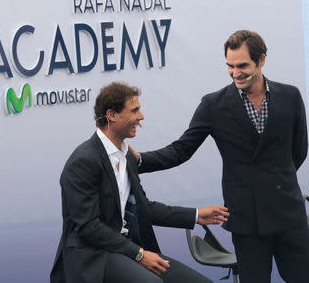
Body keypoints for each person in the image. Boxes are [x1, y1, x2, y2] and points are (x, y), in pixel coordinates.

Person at [134, 30, 309, 283]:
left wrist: (276, 179)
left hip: (289, 217)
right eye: (229, 66)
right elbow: (182, 149)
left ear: (261, 60)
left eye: (242, 66)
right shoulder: (213, 105)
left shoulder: (290, 96)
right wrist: (139, 161)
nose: (235, 72)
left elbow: (299, 151)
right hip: (247, 222)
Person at [50, 82, 229, 283]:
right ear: (112, 115)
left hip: (126, 248)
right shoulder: (83, 161)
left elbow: (144, 209)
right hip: (93, 254)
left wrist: (196, 215)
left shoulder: (127, 157)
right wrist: (139, 254)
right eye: (134, 110)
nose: (141, 117)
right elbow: (89, 228)